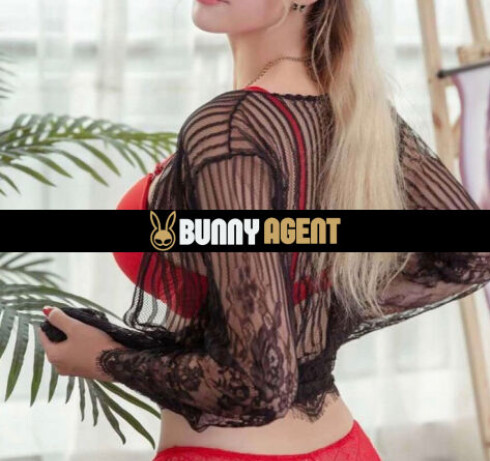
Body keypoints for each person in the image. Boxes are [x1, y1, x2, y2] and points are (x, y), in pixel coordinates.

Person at [37, 1, 490, 460]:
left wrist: (104, 359)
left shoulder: (230, 128)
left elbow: (259, 386)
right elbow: (472, 256)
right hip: (344, 446)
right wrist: (309, 326)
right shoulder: (356, 113)